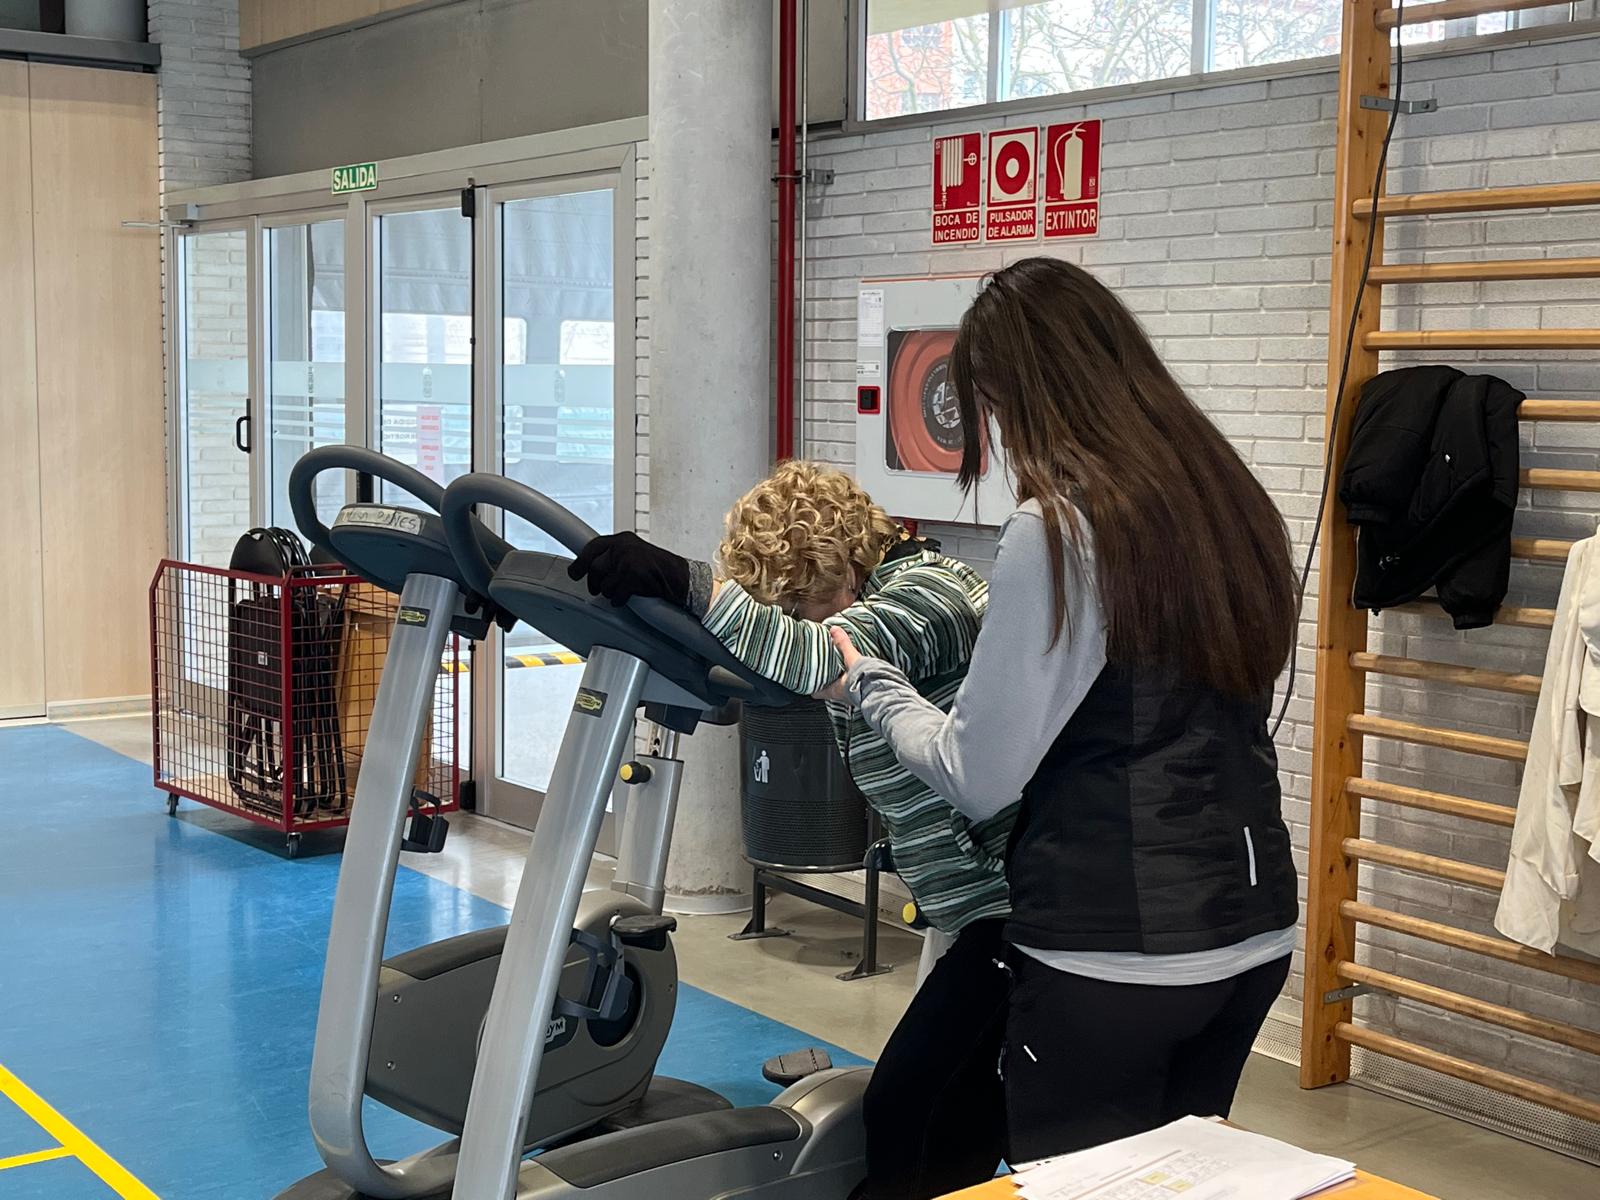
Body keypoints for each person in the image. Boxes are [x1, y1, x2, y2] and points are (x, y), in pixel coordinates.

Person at [827, 257, 1301, 1165]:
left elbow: (978, 773)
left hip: (1111, 955)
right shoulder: (1231, 506)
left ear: (1016, 390)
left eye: (993, 409)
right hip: (1251, 936)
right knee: (1176, 1182)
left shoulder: (1060, 531)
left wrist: (872, 686)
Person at [569, 460, 1011, 1200]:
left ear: (839, 564)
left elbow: (825, 654)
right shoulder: (880, 595)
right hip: (964, 902)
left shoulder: (931, 597)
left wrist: (689, 585)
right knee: (952, 1105)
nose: (806, 623)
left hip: (1012, 900)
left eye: (802, 606)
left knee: (916, 1112)